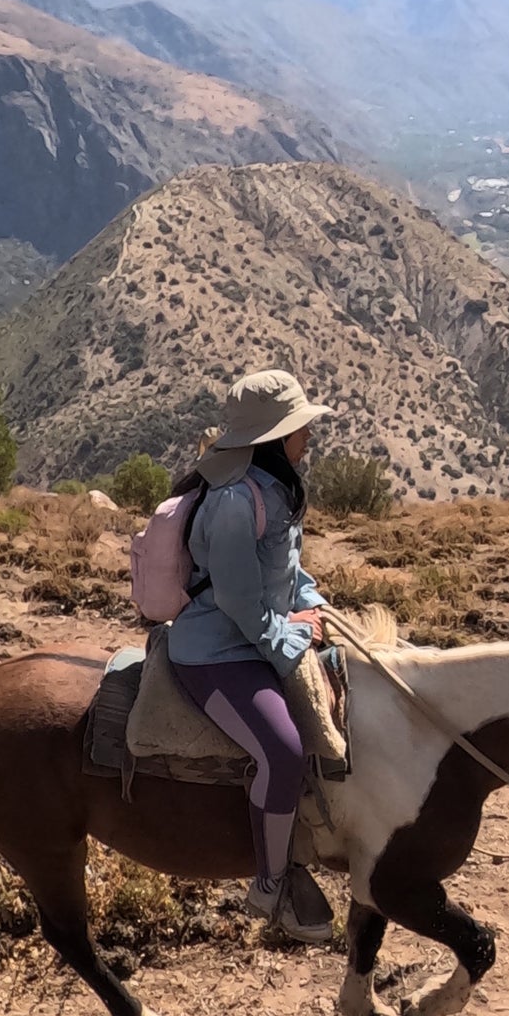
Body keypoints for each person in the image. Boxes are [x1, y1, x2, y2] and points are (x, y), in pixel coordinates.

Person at [167, 369, 335, 941]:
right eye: (299, 428)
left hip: (252, 633)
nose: (307, 437)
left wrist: (313, 604)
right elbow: (240, 601)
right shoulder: (237, 500)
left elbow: (285, 573)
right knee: (284, 751)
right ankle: (269, 883)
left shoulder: (270, 488)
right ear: (273, 437)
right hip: (217, 649)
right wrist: (289, 639)